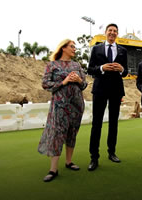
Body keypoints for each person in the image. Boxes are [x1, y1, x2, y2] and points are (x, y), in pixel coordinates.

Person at [38, 39, 87, 182]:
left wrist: (78, 80)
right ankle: (53, 169)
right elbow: (45, 84)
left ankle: (69, 161)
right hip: (60, 105)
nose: (74, 49)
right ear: (63, 48)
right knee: (57, 133)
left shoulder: (77, 65)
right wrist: (64, 81)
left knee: (72, 132)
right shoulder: (52, 65)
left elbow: (84, 84)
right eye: (72, 46)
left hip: (76, 104)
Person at [87, 23, 128, 171]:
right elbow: (90, 69)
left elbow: (126, 72)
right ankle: (94, 157)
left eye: (115, 31)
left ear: (117, 34)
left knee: (113, 123)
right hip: (100, 90)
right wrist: (102, 68)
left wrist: (122, 69)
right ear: (105, 32)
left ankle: (112, 152)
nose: (112, 33)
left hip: (116, 90)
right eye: (110, 30)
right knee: (96, 123)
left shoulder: (123, 51)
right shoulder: (96, 49)